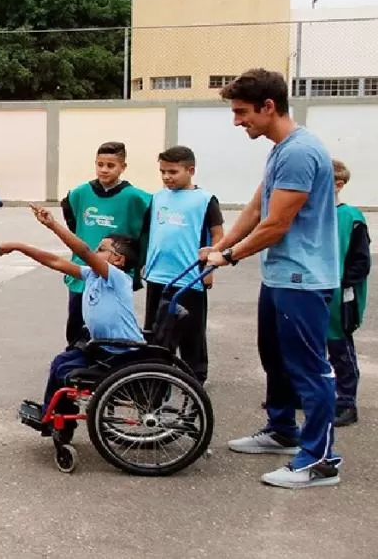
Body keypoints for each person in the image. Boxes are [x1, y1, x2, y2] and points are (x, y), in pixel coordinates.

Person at [202, 68, 341, 489]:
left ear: (268, 107)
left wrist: (229, 255)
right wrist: (220, 243)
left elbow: (276, 224)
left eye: (242, 112)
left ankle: (320, 460)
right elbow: (257, 205)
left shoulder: (300, 152)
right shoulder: (281, 148)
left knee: (309, 369)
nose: (237, 121)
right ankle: (283, 430)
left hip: (303, 278)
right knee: (275, 358)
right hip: (282, 276)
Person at [0, 204, 144, 431]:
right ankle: (51, 414)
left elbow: (84, 251)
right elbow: (56, 262)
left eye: (102, 249)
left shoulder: (116, 277)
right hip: (103, 348)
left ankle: (61, 422)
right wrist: (21, 247)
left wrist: (53, 225)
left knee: (65, 371)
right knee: (60, 362)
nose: (95, 253)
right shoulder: (93, 275)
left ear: (118, 260)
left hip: (120, 353)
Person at [142, 146, 224, 385]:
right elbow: (153, 233)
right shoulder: (157, 197)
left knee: (191, 331)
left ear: (190, 170)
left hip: (189, 278)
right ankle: (157, 375)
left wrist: (210, 267)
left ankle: (195, 376)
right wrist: (147, 263)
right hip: (158, 276)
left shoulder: (205, 200)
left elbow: (218, 234)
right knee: (156, 330)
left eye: (173, 172)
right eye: (162, 171)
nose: (167, 176)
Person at [60, 142, 151, 345]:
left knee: (108, 321)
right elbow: (72, 222)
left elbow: (145, 231)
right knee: (76, 320)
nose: (104, 170)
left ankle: (108, 362)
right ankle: (76, 360)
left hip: (112, 272)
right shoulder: (80, 193)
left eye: (111, 165)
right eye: (100, 164)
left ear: (123, 167)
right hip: (82, 271)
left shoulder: (136, 197)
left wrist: (140, 262)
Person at [327, 159, 370, 427]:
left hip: (339, 296)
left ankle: (346, 402)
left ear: (338, 184)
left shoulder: (351, 217)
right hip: (312, 291)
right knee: (308, 348)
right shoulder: (311, 213)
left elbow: (361, 261)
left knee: (340, 348)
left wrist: (344, 284)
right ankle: (306, 393)